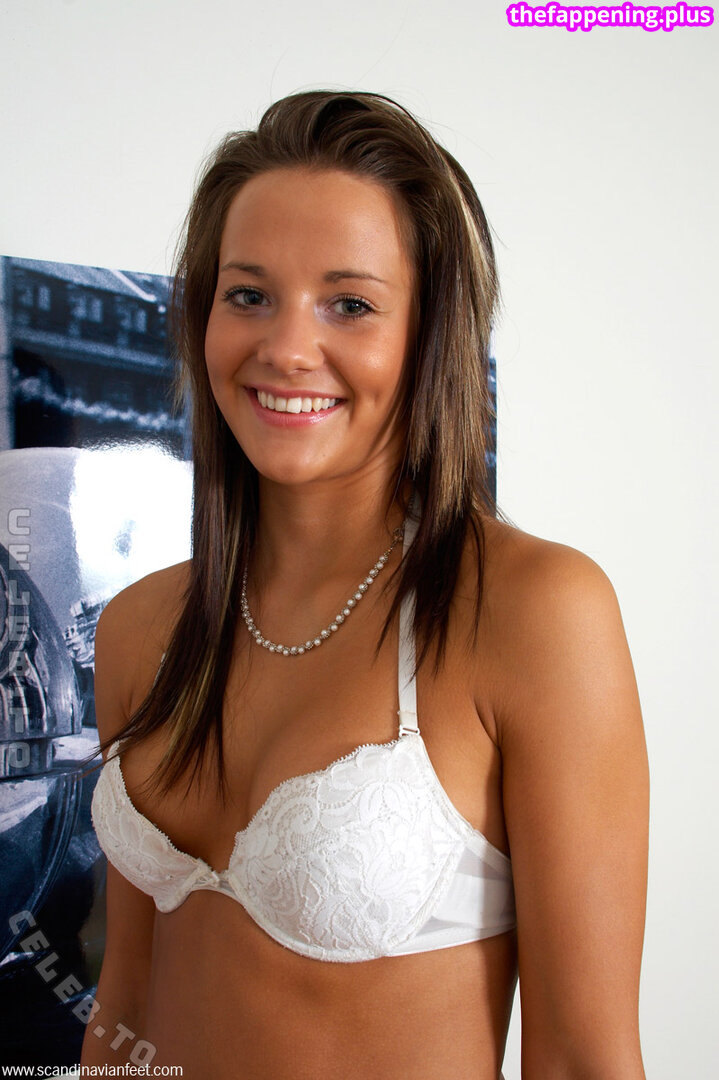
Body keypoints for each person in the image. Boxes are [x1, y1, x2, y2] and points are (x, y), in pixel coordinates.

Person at [82, 90, 649, 1078]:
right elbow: (123, 1005)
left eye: (349, 304)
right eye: (247, 295)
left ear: (428, 335)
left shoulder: (532, 613)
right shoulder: (139, 628)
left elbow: (581, 1059)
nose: (285, 349)